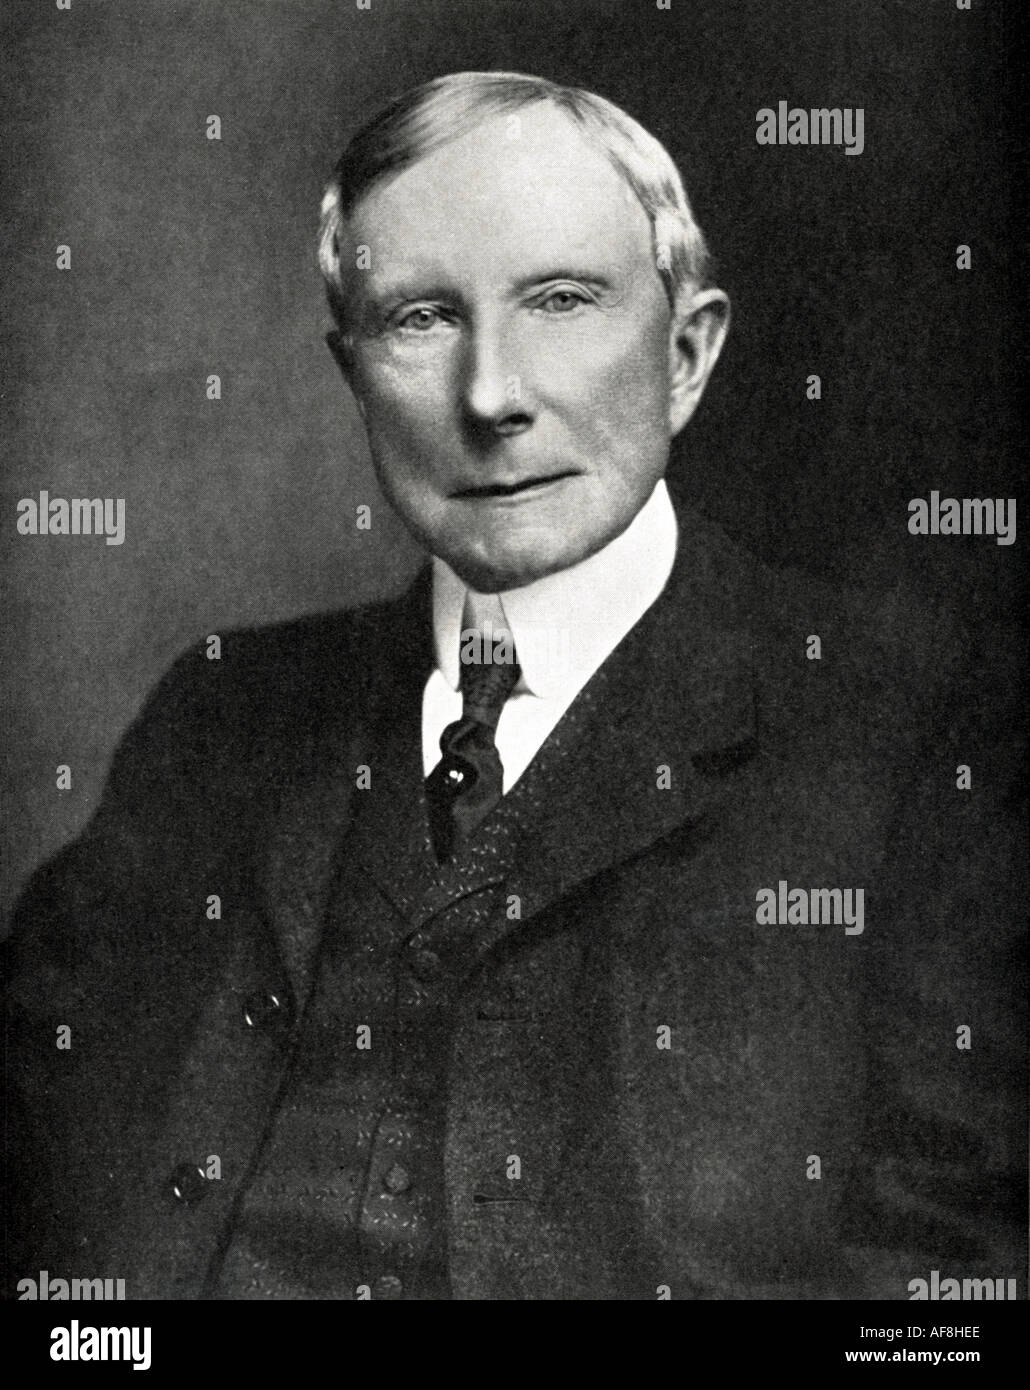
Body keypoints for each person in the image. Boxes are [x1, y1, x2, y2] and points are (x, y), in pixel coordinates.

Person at [4, 71, 1022, 1301]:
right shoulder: (220, 717)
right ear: (352, 371)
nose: (491, 396)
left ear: (687, 352)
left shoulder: (912, 725)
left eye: (560, 300)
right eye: (420, 319)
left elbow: (955, 1279)